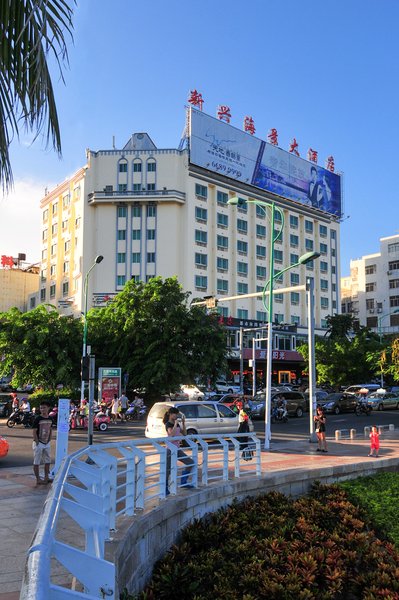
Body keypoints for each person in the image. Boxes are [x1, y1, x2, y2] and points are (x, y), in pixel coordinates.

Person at [163, 407, 194, 494]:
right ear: (170, 414)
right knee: (168, 470)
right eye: (174, 414)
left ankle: (183, 482)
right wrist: (175, 423)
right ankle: (165, 488)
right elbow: (171, 435)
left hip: (177, 449)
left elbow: (184, 434)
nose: (176, 415)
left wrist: (183, 423)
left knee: (190, 462)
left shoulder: (176, 424)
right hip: (169, 450)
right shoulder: (168, 424)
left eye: (176, 414)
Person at [32, 401, 53, 484]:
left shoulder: (50, 418)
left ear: (48, 408)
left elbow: (51, 429)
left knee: (47, 461)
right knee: (36, 461)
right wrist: (37, 441)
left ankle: (46, 477)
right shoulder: (38, 418)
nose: (42, 409)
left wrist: (50, 439)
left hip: (47, 442)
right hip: (39, 443)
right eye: (41, 408)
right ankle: (38, 479)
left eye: (44, 407)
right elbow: (34, 431)